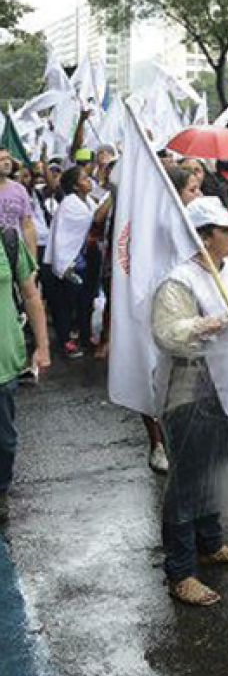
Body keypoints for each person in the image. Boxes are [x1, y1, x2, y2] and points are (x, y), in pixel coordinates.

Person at [151, 197, 228, 606]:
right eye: (226, 229)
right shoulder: (179, 280)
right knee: (188, 480)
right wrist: (215, 321)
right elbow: (168, 332)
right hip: (193, 394)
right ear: (204, 236)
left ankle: (210, 544)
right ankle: (180, 571)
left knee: (216, 469)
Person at [0, 218, 51, 520]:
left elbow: (30, 295)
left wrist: (42, 345)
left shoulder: (8, 241)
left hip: (4, 363)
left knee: (5, 442)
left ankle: (2, 489)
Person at [45, 165, 110, 359]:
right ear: (74, 186)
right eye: (83, 178)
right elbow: (96, 218)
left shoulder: (87, 200)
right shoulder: (70, 203)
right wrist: (115, 194)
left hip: (84, 259)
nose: (88, 180)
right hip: (68, 262)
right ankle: (65, 341)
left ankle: (84, 335)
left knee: (85, 300)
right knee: (67, 304)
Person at [0, 148, 38, 262]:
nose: (7, 162)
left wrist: (32, 261)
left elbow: (27, 226)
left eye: (8, 159)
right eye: (1, 159)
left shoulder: (19, 190)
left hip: (15, 254)